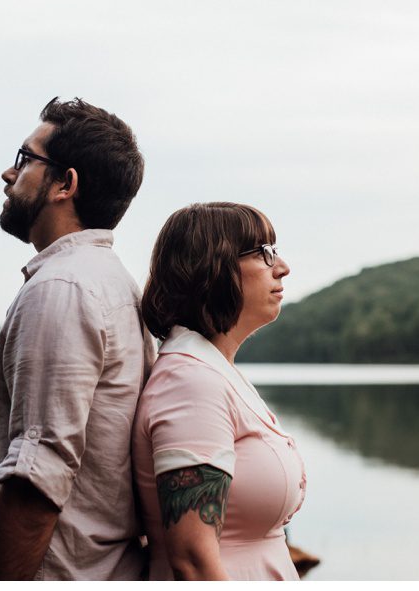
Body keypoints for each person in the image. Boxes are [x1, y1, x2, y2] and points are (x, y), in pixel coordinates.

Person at [0, 97, 155, 581]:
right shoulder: (108, 281)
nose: (9, 176)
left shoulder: (62, 289)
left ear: (65, 185)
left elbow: (37, 475)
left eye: (25, 159)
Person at [131, 202, 306, 580]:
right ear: (213, 269)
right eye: (264, 253)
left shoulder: (213, 372)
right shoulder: (189, 384)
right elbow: (193, 561)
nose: (282, 266)